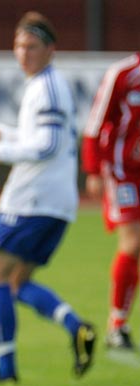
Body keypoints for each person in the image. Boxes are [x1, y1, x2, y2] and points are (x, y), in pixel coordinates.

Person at [0, 11, 96, 383]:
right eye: (20, 46)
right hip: (55, 203)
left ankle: (6, 369)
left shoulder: (47, 87)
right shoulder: (46, 85)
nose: (24, 53)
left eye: (32, 46)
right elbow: (41, 136)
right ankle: (76, 327)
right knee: (17, 283)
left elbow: (49, 144)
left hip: (32, 199)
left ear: (50, 50)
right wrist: (6, 133)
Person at [81, 52, 140, 351]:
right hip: (123, 170)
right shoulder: (124, 73)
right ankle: (117, 324)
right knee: (132, 242)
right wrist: (93, 169)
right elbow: (96, 123)